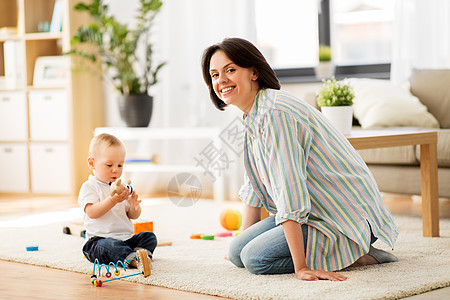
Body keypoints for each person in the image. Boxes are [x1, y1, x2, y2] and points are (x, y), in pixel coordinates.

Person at [201, 37, 399, 281]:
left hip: (342, 217)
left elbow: (289, 191)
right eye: (214, 75)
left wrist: (301, 267)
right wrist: (243, 241)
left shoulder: (275, 113)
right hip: (314, 211)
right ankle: (338, 252)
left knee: (255, 259)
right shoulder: (254, 114)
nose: (221, 80)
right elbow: (254, 185)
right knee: (237, 252)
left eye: (230, 70)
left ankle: (359, 254)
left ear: (253, 72)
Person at [78, 133, 157, 268]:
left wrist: (134, 207)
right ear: (92, 164)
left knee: (149, 237)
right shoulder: (90, 187)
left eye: (120, 165)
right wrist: (112, 201)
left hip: (125, 239)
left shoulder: (123, 188)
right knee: (109, 246)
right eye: (109, 165)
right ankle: (132, 260)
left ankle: (141, 255)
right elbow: (91, 212)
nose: (115, 170)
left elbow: (131, 216)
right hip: (98, 241)